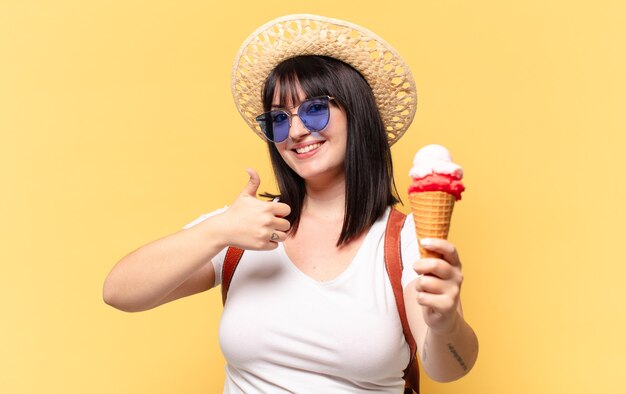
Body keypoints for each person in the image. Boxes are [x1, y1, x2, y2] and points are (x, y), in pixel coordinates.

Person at [103, 14, 478, 393]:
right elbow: (119, 292)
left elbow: (447, 369)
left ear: (356, 113)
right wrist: (217, 230)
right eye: (279, 119)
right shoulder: (245, 226)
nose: (296, 131)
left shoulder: (403, 239)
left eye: (315, 108)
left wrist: (446, 323)